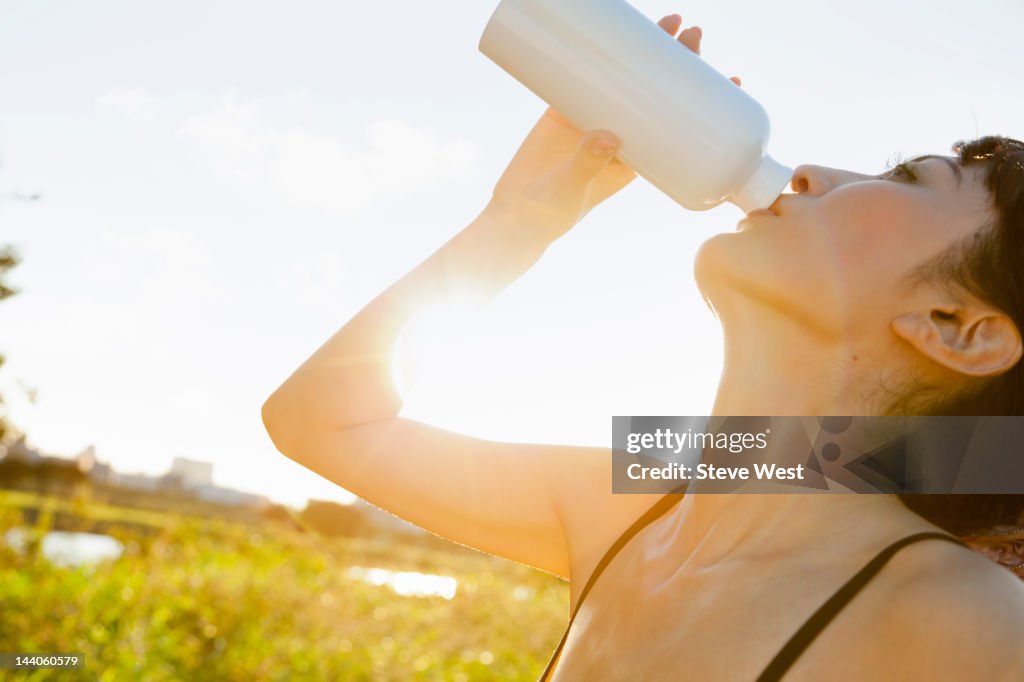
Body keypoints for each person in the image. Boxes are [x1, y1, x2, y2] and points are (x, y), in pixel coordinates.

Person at [261, 13, 1024, 681]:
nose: (809, 173)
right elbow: (315, 422)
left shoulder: (973, 631)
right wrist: (522, 218)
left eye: (908, 176)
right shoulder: (630, 502)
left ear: (959, 328)